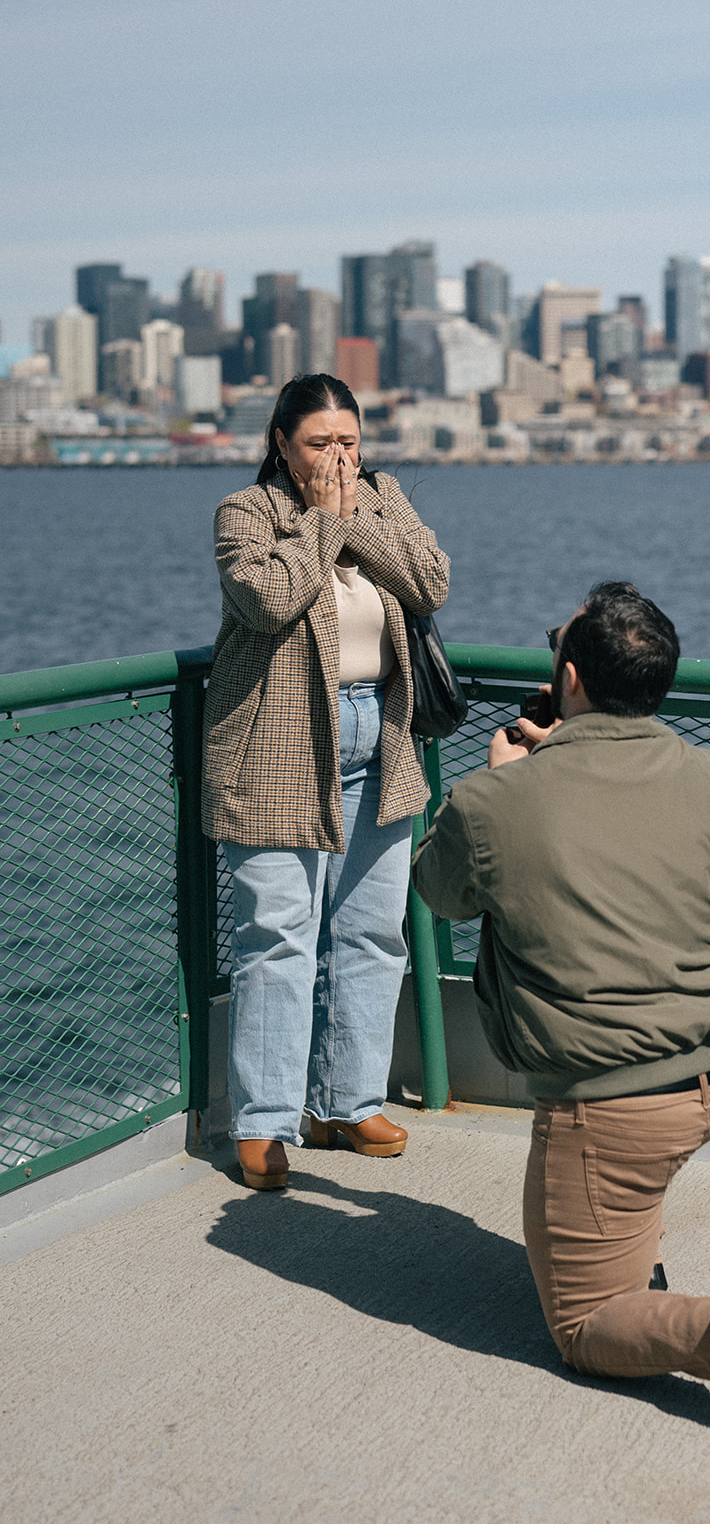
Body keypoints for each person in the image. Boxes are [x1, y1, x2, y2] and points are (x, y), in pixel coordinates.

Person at [411, 582, 710, 1448]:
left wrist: (504, 781)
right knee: (635, 1176)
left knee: (585, 1326)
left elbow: (439, 892)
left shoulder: (494, 804)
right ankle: (631, 1231)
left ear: (571, 678)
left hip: (614, 1104)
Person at [203, 373, 450, 1191]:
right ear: (282, 443)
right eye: (320, 442)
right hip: (276, 746)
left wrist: (354, 518)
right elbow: (269, 597)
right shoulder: (248, 514)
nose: (339, 457)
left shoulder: (381, 499)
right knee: (276, 936)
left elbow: (429, 580)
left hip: (376, 736)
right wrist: (322, 522)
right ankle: (266, 1122)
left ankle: (347, 1101)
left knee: (373, 930)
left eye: (349, 440)